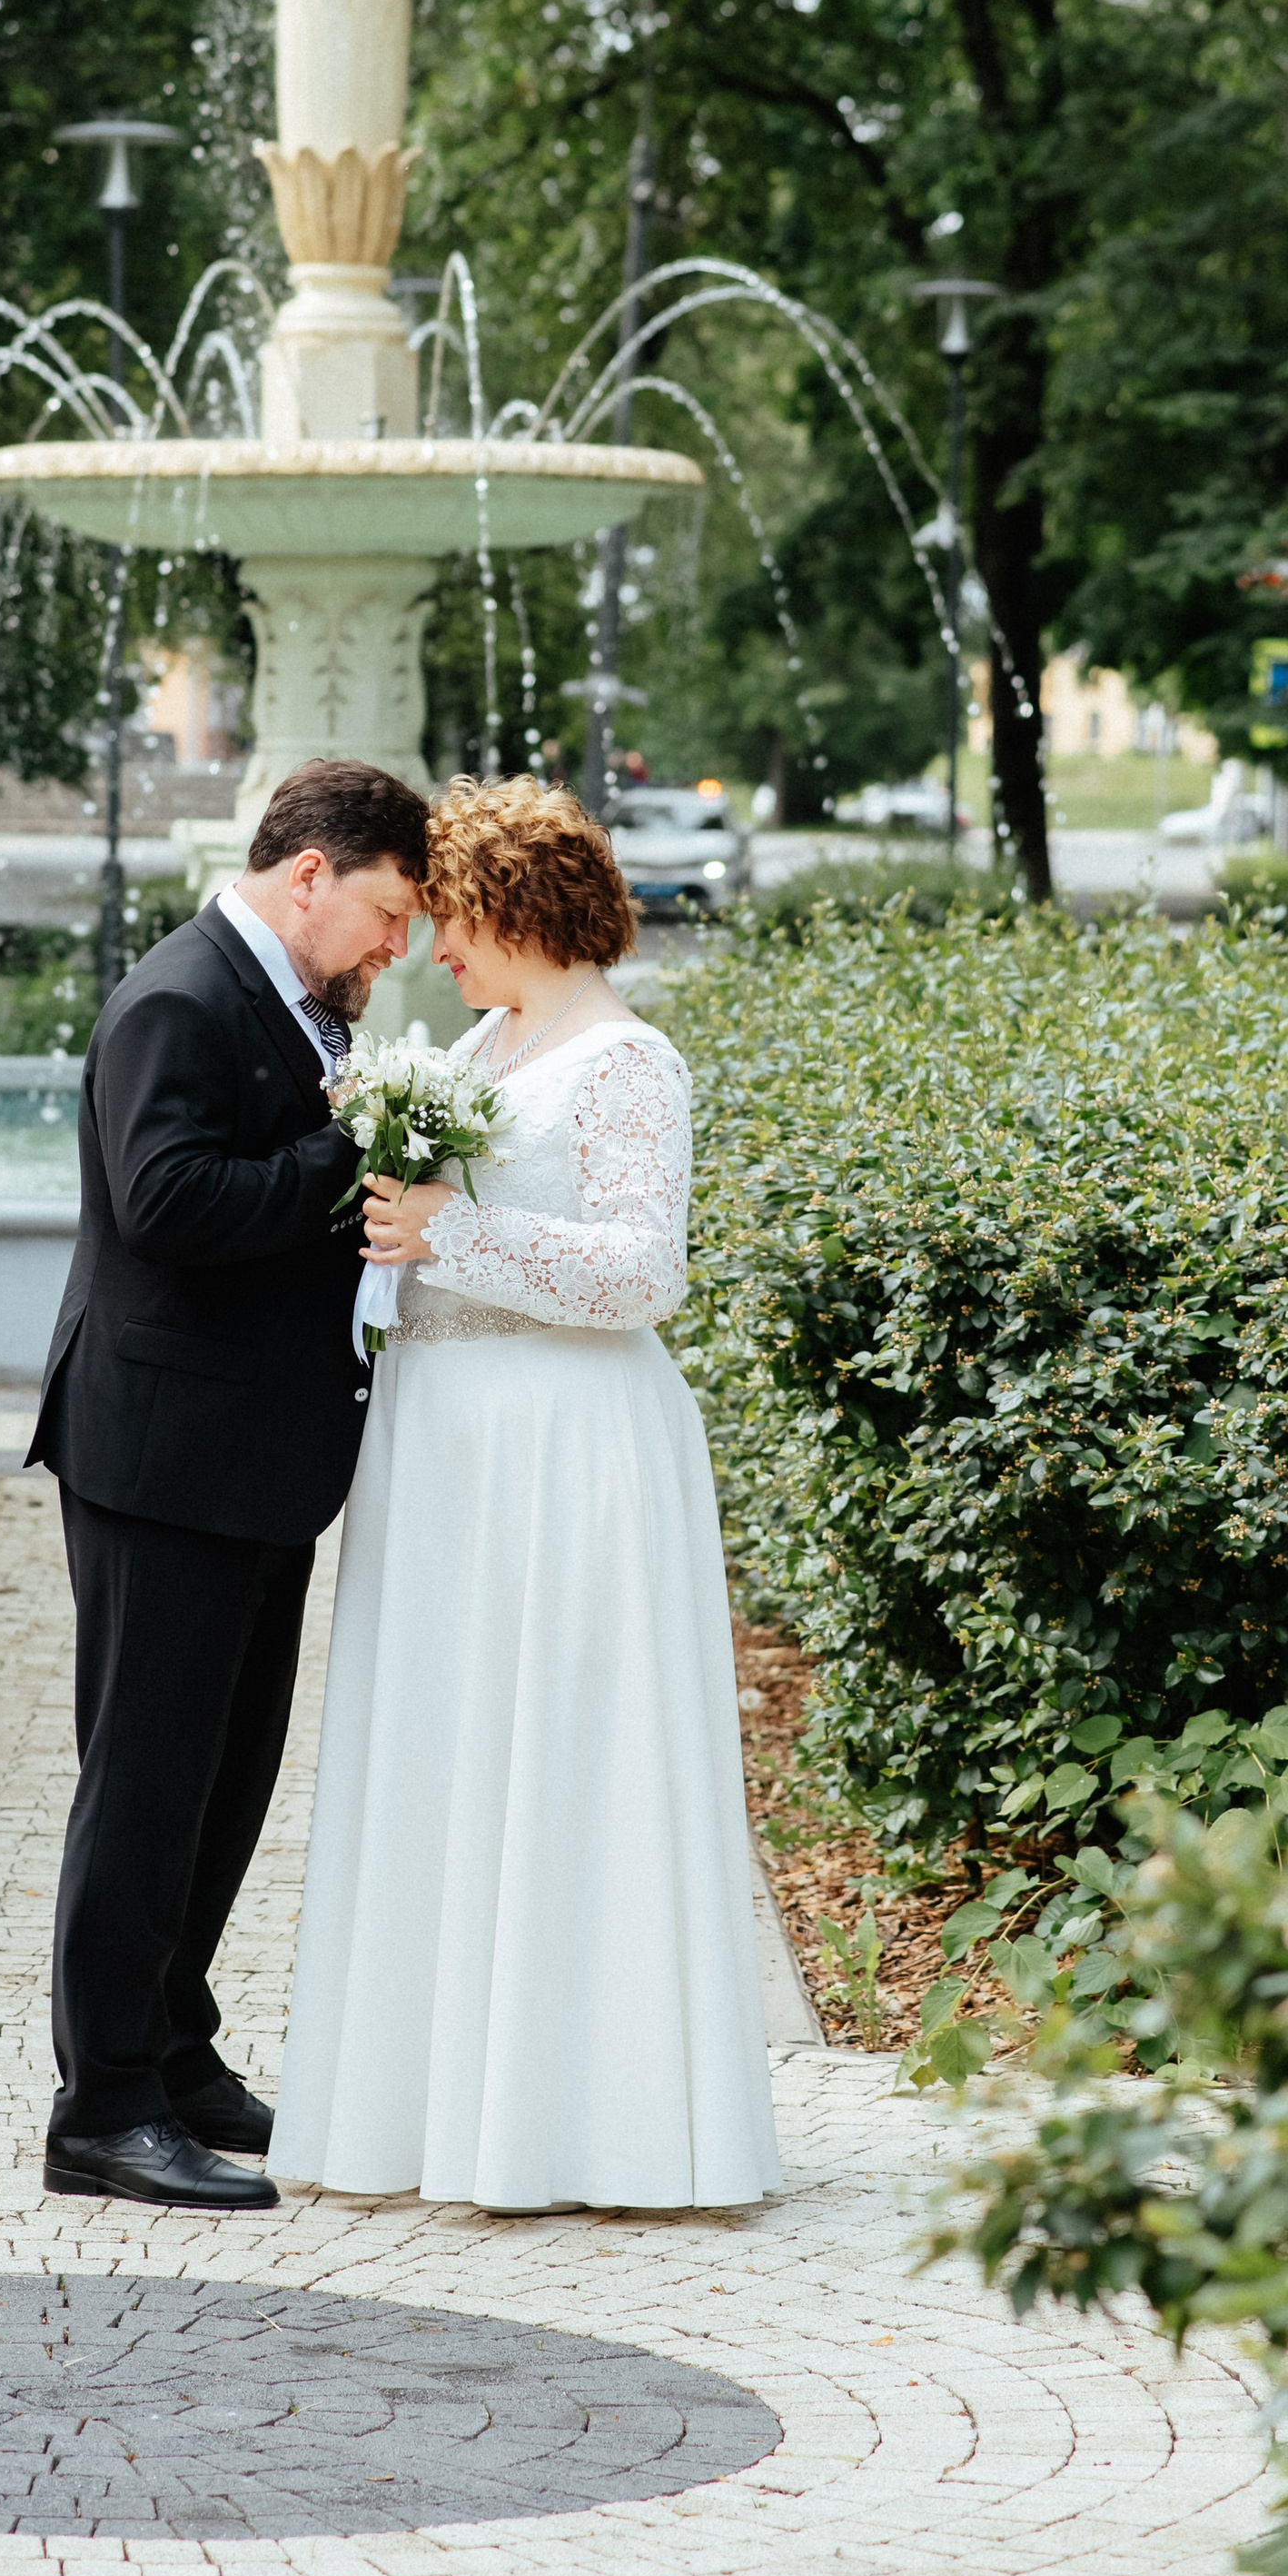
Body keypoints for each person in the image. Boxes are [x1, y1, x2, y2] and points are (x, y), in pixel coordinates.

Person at [269, 775, 780, 2211]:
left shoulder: (629, 1063)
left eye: (454, 922)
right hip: (446, 1448)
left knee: (565, 1759)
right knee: (448, 1756)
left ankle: (589, 2123)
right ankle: (432, 2105)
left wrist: (450, 1233)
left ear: (517, 910)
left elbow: (642, 1273)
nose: (433, 952)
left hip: (565, 1452)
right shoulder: (490, 1040)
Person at [27, 756, 431, 2211]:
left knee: (227, 1778)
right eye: (387, 915)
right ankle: (104, 2107)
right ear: (309, 874)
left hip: (250, 1460)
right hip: (162, 1460)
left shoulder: (290, 1001)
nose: (397, 949)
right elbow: (169, 1202)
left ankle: (178, 2048)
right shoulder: (180, 998)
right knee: (142, 1783)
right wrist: (354, 1148)